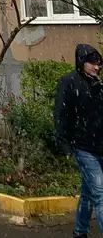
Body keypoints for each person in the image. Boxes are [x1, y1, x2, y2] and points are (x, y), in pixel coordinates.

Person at [55, 43, 103, 238]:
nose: (97, 67)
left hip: (100, 146)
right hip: (83, 148)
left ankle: (80, 231)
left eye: (99, 64)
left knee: (88, 193)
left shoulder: (98, 85)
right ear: (82, 62)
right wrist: (63, 143)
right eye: (93, 63)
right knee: (100, 193)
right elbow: (60, 114)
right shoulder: (69, 82)